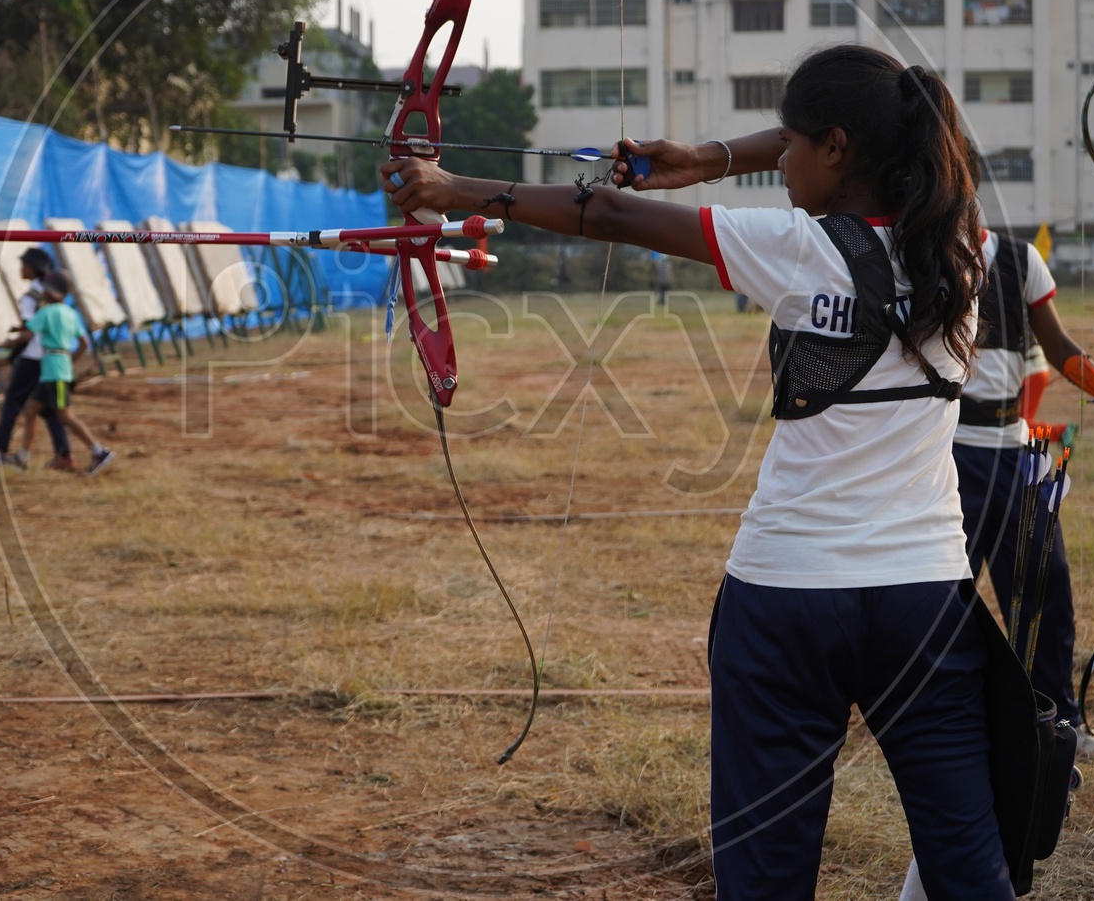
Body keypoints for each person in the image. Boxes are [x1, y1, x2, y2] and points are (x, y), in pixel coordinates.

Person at [385, 46, 1011, 899]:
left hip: (788, 599)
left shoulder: (800, 247)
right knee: (970, 867)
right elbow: (903, 145)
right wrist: (711, 159)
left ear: (836, 148)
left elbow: (607, 213)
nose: (778, 161)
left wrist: (449, 190)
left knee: (765, 869)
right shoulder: (962, 248)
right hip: (926, 601)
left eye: (790, 145)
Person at [955, 229, 1094, 767]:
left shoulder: (1017, 258)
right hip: (945, 450)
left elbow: (1059, 349)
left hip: (1013, 446)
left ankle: (1058, 721)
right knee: (938, 593)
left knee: (1046, 582)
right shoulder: (915, 249)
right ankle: (937, 720)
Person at [10, 271, 114, 477]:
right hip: (56, 370)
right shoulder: (70, 313)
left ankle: (99, 451)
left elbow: (26, 336)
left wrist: (0, 345)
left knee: (65, 415)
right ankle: (22, 457)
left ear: (52, 293)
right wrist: (68, 360)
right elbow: (84, 343)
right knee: (30, 410)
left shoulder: (46, 312)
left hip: (54, 372)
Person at [0, 248, 74, 470]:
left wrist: (10, 358)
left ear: (33, 268)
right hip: (50, 358)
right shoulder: (51, 292)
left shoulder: (31, 297)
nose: (21, 269)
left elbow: (28, 335)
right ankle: (63, 454)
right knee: (49, 408)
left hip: (32, 357)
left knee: (12, 402)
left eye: (24, 265)